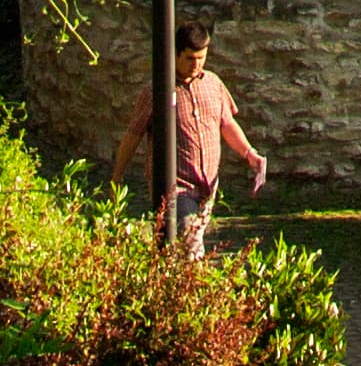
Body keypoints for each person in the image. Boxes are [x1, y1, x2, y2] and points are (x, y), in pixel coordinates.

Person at [113, 17, 267, 251]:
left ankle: (169, 282)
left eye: (201, 58)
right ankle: (196, 283)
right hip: (176, 187)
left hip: (207, 186)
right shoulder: (157, 90)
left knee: (180, 248)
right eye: (190, 59)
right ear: (175, 54)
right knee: (190, 246)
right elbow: (133, 135)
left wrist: (249, 153)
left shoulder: (213, 84)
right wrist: (117, 176)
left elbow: (226, 124)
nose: (196, 65)